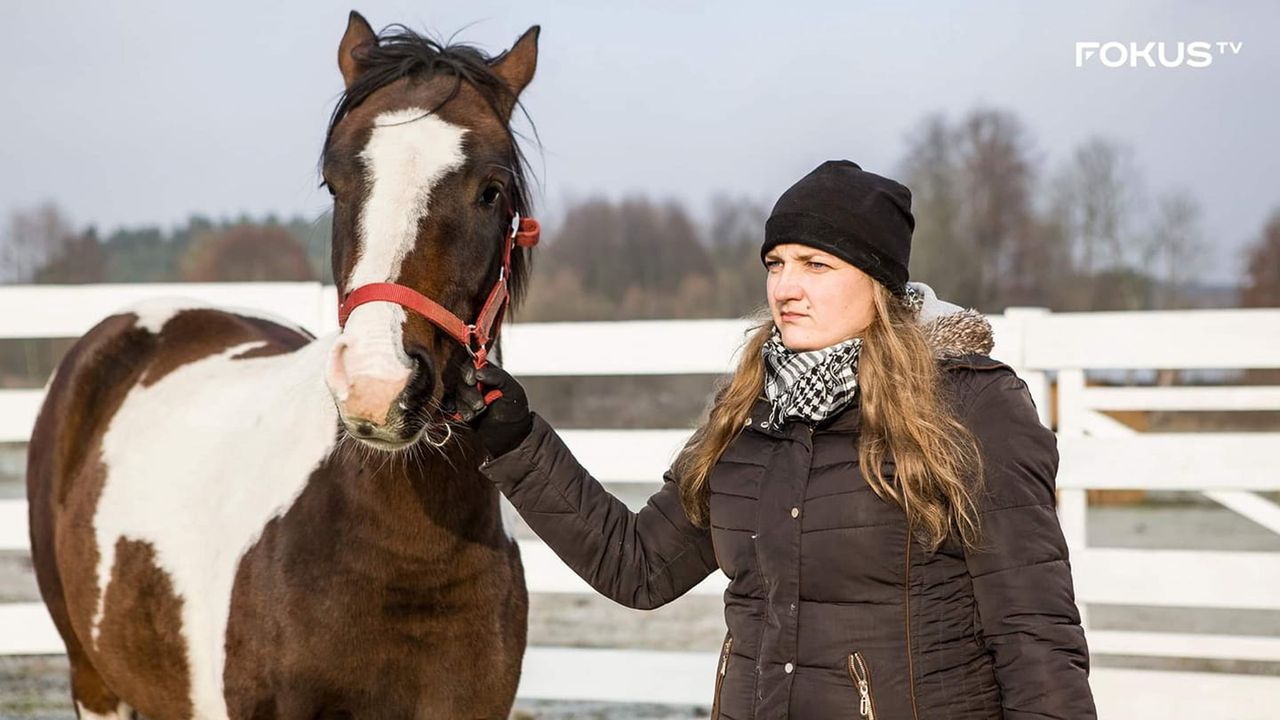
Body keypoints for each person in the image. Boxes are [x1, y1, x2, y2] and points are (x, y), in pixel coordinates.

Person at [452, 160, 1096, 719]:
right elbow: (639, 566)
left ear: (877, 280)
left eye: (816, 264)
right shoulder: (751, 411)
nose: (786, 287)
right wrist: (517, 439)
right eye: (776, 263)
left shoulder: (970, 403)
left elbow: (1033, 633)